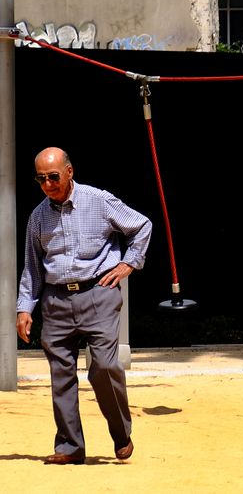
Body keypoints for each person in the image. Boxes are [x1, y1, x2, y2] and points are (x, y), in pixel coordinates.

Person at [16, 147, 152, 465]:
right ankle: (70, 446)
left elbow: (142, 226)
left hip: (98, 294)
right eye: (41, 179)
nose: (48, 184)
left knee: (104, 367)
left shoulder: (99, 200)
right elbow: (32, 268)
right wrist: (25, 308)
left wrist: (128, 264)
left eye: (53, 176)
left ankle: (121, 433)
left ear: (69, 172)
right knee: (60, 374)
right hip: (56, 301)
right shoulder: (37, 217)